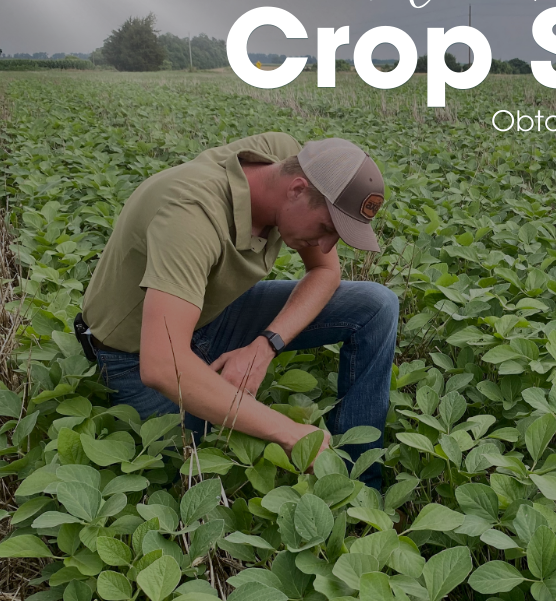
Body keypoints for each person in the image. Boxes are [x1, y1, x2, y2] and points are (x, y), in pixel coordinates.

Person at [76, 133, 398, 488]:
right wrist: (289, 432)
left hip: (212, 313)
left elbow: (325, 272)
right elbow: (163, 366)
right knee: (204, 471)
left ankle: (358, 487)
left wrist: (265, 346)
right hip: (134, 354)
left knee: (377, 305)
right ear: (296, 189)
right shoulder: (191, 215)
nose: (325, 245)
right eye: (325, 228)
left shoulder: (285, 158)